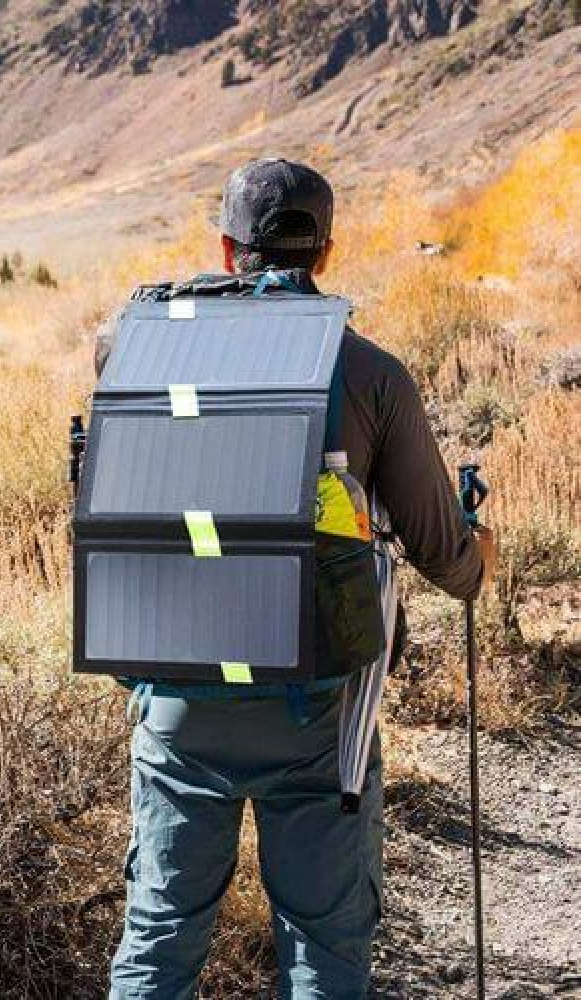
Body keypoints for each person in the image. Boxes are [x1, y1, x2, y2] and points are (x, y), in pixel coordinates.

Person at [101, 158, 495, 1000]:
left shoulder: (138, 349)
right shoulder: (369, 372)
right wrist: (480, 554)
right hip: (317, 706)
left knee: (160, 936)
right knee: (324, 941)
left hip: (177, 699)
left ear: (225, 248)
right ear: (326, 251)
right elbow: (446, 558)